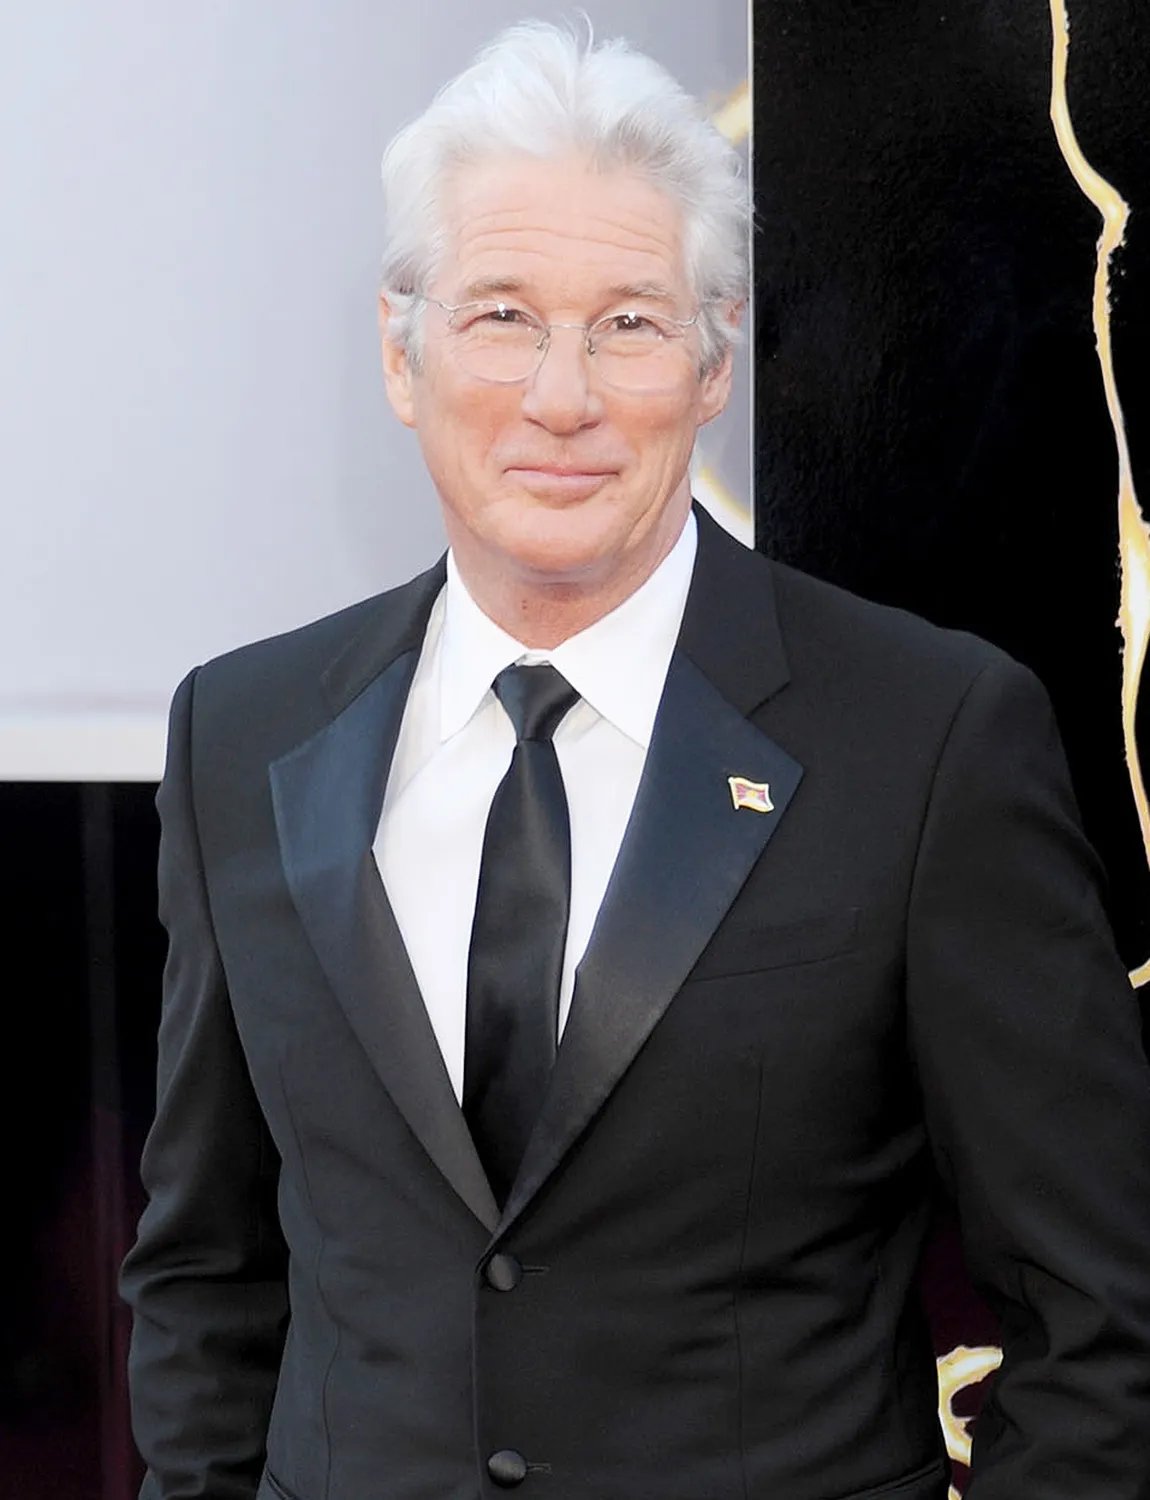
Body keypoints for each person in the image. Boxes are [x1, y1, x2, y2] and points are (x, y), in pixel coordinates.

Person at [121, 20, 1150, 1500]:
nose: (562, 396)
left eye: (629, 321)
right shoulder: (241, 732)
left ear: (716, 359)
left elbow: (1100, 1316)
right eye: (499, 316)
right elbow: (207, 1276)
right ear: (399, 351)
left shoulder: (927, 739)